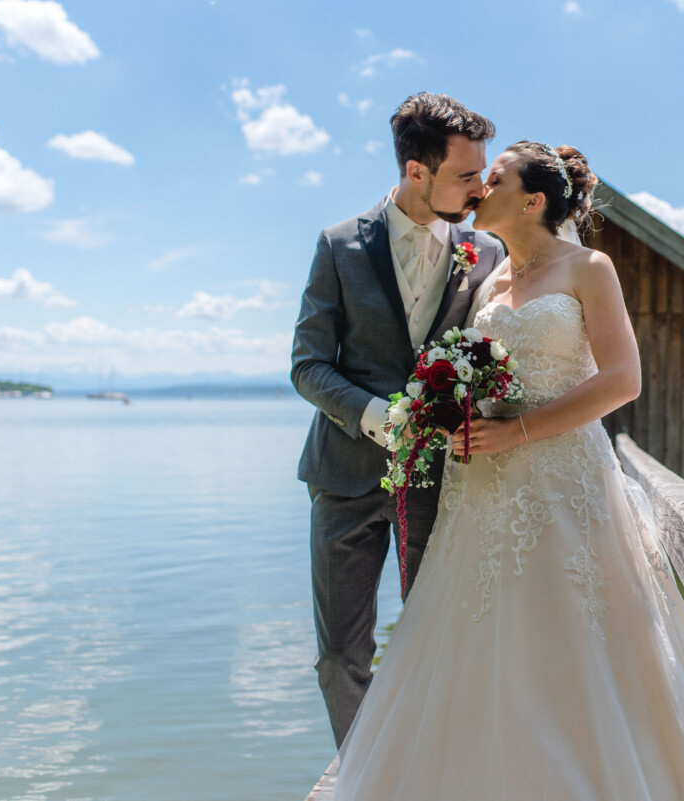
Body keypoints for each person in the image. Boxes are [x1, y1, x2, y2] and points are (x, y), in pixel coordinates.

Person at [327, 142, 684, 799]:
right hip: (482, 487)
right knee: (480, 643)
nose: (480, 188)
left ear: (534, 200)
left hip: (563, 479)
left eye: (495, 178)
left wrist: (515, 430)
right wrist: (450, 410)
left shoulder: (589, 268)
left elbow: (623, 379)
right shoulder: (489, 280)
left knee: (572, 644)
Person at [291, 92, 506, 748]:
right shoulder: (338, 247)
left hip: (442, 485)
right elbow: (307, 365)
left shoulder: (487, 252)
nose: (481, 187)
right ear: (417, 172)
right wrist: (375, 416)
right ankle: (359, 776)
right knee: (342, 657)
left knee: (440, 640)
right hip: (345, 479)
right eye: (466, 175)